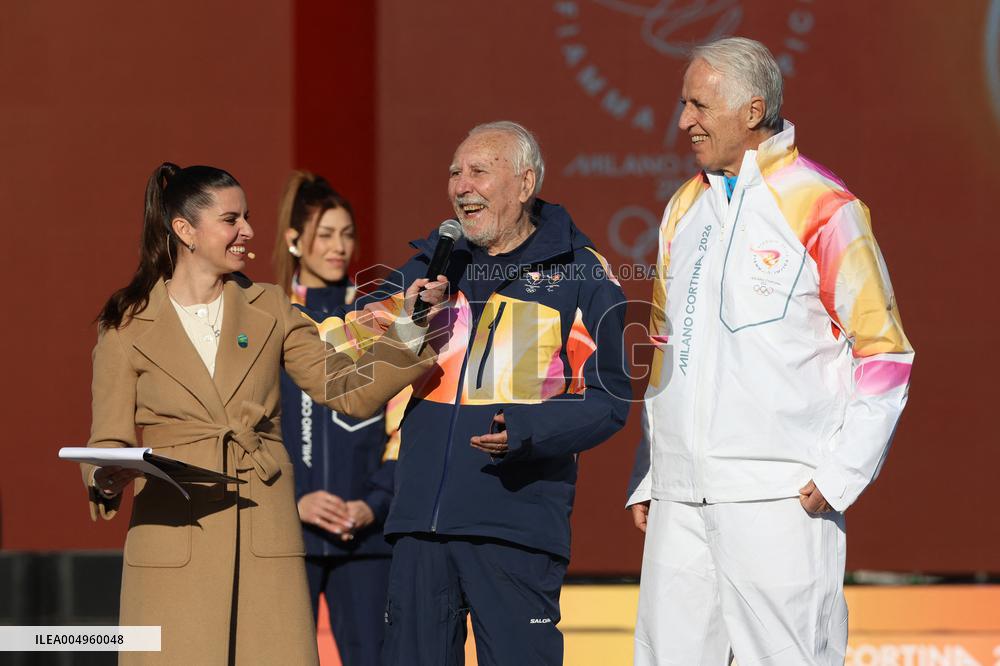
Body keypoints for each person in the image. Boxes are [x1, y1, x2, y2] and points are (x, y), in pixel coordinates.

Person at [81, 162, 447, 665]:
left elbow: (347, 388)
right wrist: (106, 475)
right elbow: (108, 440)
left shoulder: (270, 307)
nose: (249, 231)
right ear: (185, 231)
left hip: (263, 538)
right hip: (171, 543)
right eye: (232, 219)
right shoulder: (125, 324)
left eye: (247, 217)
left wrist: (410, 327)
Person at [626, 37, 914, 665]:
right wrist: (654, 469)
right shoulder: (684, 207)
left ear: (752, 111)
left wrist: (840, 474)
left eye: (698, 105)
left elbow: (885, 355)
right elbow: (665, 346)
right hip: (681, 499)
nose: (683, 122)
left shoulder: (823, 206)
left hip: (779, 498)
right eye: (683, 104)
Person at [326, 121, 630, 665]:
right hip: (419, 526)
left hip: (514, 526)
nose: (461, 185)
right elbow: (348, 369)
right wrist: (412, 320)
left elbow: (609, 397)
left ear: (525, 182)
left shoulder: (582, 274)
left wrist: (527, 431)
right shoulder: (424, 270)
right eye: (454, 172)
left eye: (479, 172)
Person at [273, 171, 404, 666]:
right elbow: (256, 426)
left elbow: (403, 420)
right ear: (292, 240)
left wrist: (377, 501)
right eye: (325, 235)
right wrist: (294, 500)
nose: (339, 247)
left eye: (347, 234)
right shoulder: (270, 315)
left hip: (366, 540)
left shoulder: (377, 313)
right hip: (289, 540)